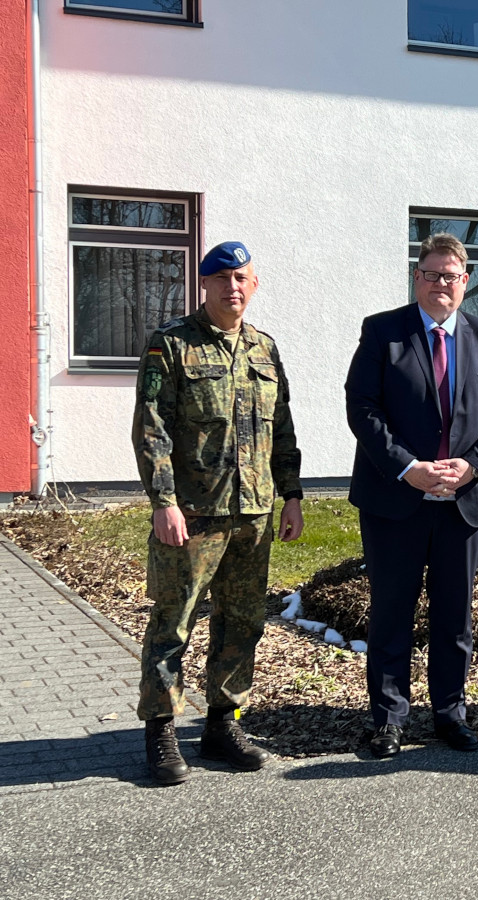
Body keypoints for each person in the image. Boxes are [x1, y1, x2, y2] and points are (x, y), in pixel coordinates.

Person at [132, 240, 304, 786]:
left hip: (252, 513)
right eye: (223, 278)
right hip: (193, 514)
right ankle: (160, 731)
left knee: (242, 623)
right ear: (204, 285)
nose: (233, 287)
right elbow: (150, 429)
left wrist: (293, 494)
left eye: (243, 279)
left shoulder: (264, 349)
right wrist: (163, 503)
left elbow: (283, 429)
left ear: (255, 286)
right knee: (173, 623)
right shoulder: (171, 345)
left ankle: (222, 725)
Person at [345, 232, 478, 757]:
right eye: (431, 274)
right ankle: (389, 719)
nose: (441, 283)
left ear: (465, 283)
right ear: (416, 278)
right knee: (391, 612)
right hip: (395, 500)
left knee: (454, 614)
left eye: (451, 276)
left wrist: (473, 467)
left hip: (464, 505)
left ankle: (450, 713)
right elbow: (362, 407)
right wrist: (408, 469)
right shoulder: (383, 332)